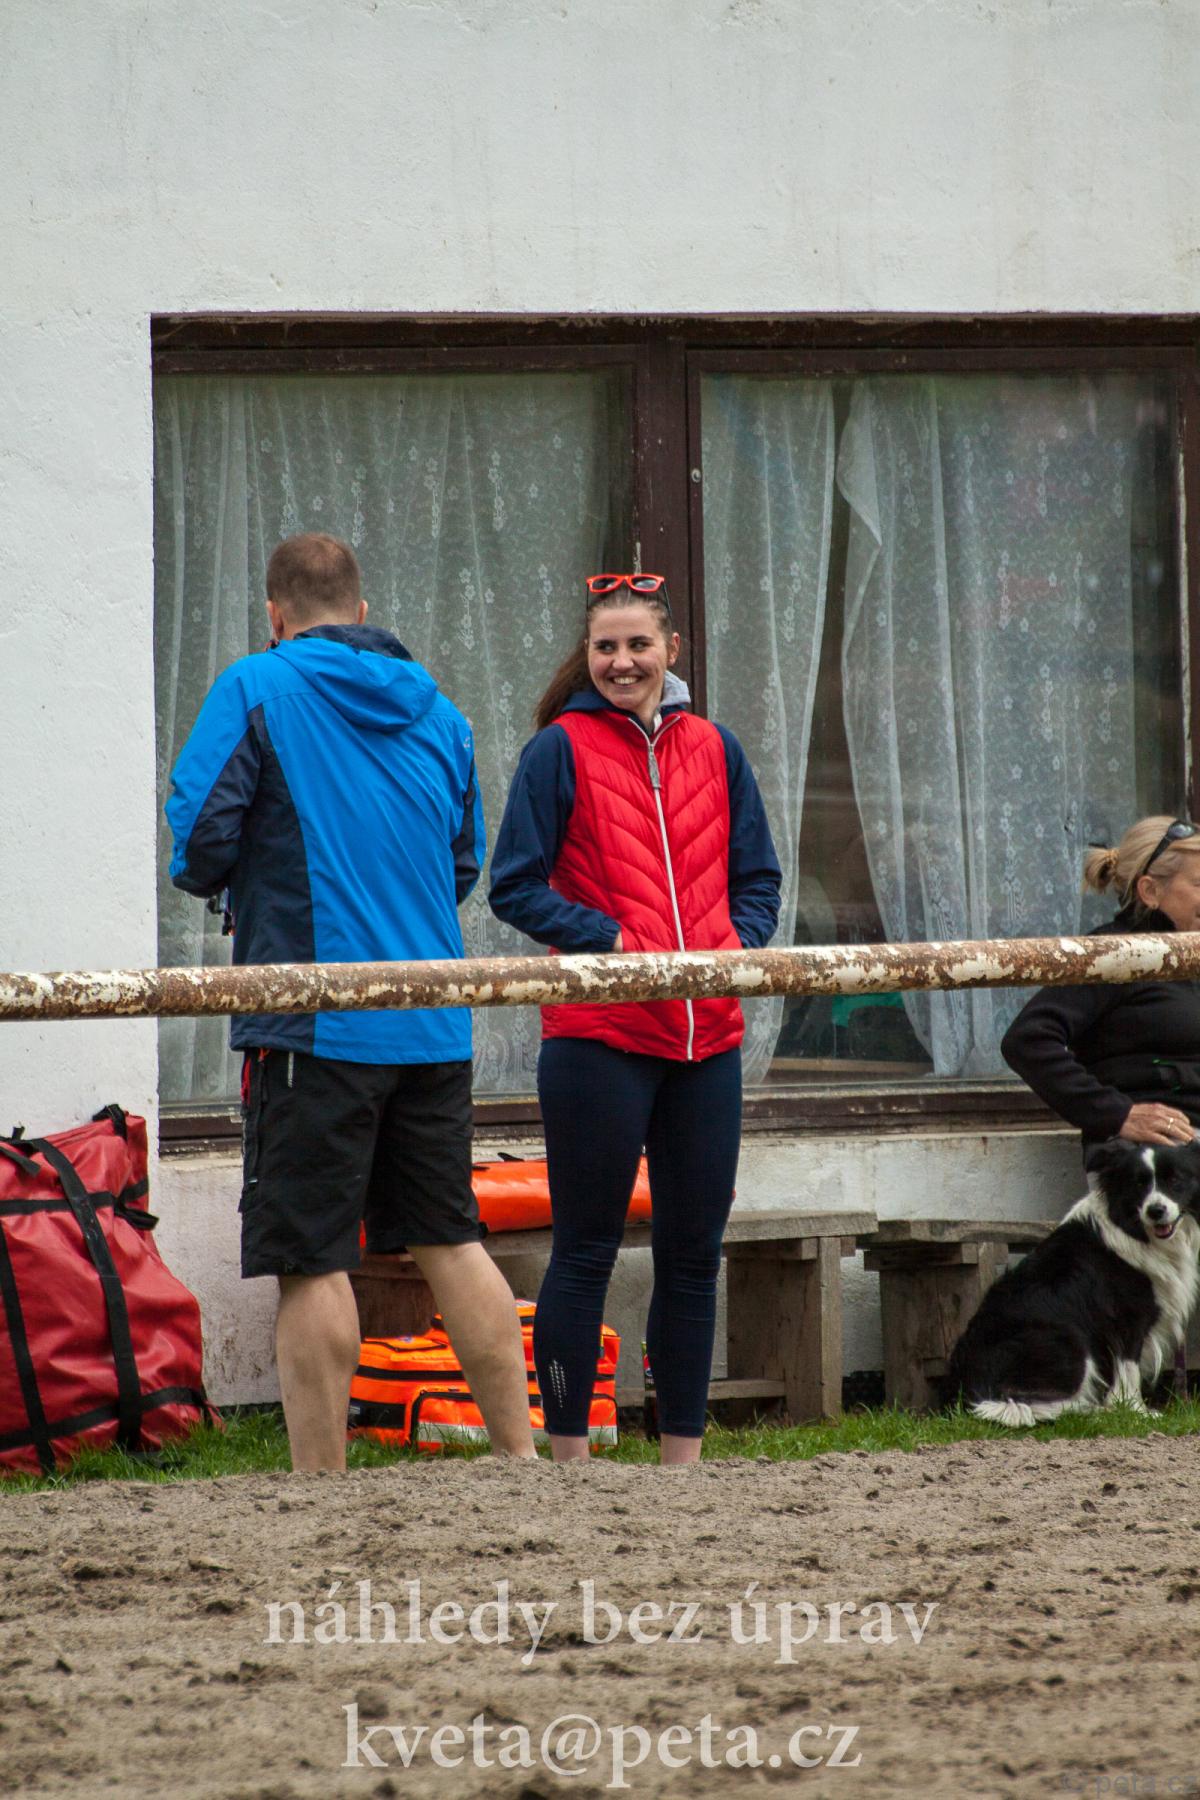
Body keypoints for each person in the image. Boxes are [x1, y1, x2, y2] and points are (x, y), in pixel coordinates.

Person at [166, 532, 535, 1471]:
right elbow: (461, 863)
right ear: (364, 613)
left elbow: (198, 842)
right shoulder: (443, 713)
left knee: (312, 1258)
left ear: (275, 614)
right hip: (431, 1017)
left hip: (313, 1020)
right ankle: (523, 1462)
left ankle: (320, 1487)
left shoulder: (255, 686)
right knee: (451, 1240)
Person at [489, 571, 782, 1465]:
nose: (622, 662)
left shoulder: (717, 747)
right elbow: (514, 885)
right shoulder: (558, 749)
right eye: (606, 647)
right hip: (599, 1038)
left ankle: (682, 1467)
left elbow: (759, 879)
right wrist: (610, 940)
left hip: (707, 1039)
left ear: (671, 651)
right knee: (586, 1252)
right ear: (587, 654)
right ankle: (569, 1463)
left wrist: (733, 945)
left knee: (694, 1257)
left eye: (638, 645)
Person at [1001, 815, 1200, 1152]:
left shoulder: (1191, 953)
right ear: (1150, 891)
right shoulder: (1112, 954)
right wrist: (1117, 1114)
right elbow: (1028, 1039)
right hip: (1158, 1158)